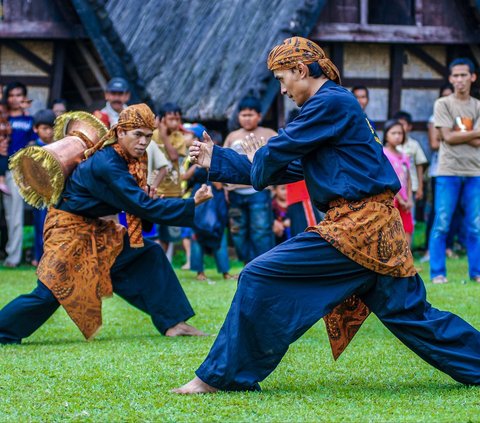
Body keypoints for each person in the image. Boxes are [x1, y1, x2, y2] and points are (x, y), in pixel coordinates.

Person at [174, 37, 480, 394]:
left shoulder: (330, 102)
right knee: (412, 315)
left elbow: (279, 151)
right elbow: (290, 166)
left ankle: (220, 377)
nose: (282, 88)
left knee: (259, 274)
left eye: (281, 77)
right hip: (376, 229)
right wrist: (222, 160)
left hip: (358, 228)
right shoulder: (331, 107)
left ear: (301, 70)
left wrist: (260, 154)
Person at [0, 104, 212, 344]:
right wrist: (191, 203)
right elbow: (140, 205)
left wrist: (145, 199)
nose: (143, 142)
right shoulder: (107, 164)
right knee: (50, 292)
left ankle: (174, 323)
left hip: (93, 227)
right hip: (69, 230)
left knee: (147, 254)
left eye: (148, 135)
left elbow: (136, 201)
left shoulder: (124, 157)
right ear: (120, 132)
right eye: (137, 134)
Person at [429, 58, 480, 284]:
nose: (459, 80)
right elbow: (446, 137)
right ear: (450, 78)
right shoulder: (443, 103)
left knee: (475, 226)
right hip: (447, 171)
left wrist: (455, 136)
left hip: (475, 173)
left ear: (473, 77)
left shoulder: (478, 106)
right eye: (455, 76)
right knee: (441, 223)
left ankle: (476, 272)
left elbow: (452, 136)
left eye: (464, 75)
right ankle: (438, 272)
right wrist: (474, 134)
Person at [223, 96, 276, 263]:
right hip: (236, 193)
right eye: (243, 115)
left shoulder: (269, 134)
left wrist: (274, 186)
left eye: (250, 115)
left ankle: (263, 265)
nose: (247, 118)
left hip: (259, 192)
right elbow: (224, 162)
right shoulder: (232, 136)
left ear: (259, 116)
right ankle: (247, 265)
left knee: (260, 230)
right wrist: (225, 187)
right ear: (238, 116)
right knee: (238, 231)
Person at [2, 82, 35, 267]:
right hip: (2, 168)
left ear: (24, 97)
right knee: (7, 216)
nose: (15, 98)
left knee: (14, 217)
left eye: (19, 95)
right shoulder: (3, 118)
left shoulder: (30, 121)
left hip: (16, 172)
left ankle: (12, 258)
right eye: (12, 95)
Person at [421, 83, 455, 263]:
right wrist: (456, 135)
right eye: (444, 95)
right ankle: (429, 249)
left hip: (461, 168)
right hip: (439, 169)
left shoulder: (463, 115)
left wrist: (450, 136)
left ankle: (448, 246)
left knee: (456, 212)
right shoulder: (435, 117)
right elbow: (434, 144)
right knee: (437, 211)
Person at [30, 109, 56, 266]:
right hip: (39, 194)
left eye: (51, 128)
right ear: (36, 129)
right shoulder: (33, 148)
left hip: (55, 193)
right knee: (40, 226)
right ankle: (38, 258)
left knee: (54, 227)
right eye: (45, 128)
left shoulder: (59, 146)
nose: (49, 132)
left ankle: (52, 259)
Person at [382, 120, 414, 246]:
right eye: (393, 133)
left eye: (400, 133)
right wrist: (399, 198)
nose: (397, 136)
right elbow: (387, 179)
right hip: (392, 198)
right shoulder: (383, 154)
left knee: (407, 228)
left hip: (405, 200)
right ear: (386, 135)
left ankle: (407, 261)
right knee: (391, 229)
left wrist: (409, 198)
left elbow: (409, 178)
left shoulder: (405, 155)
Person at [393, 110, 428, 221]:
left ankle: (408, 238)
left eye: (403, 124)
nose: (400, 128)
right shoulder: (390, 147)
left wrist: (420, 188)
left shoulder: (414, 145)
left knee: (408, 216)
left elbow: (419, 165)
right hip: (394, 189)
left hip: (410, 188)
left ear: (409, 127)